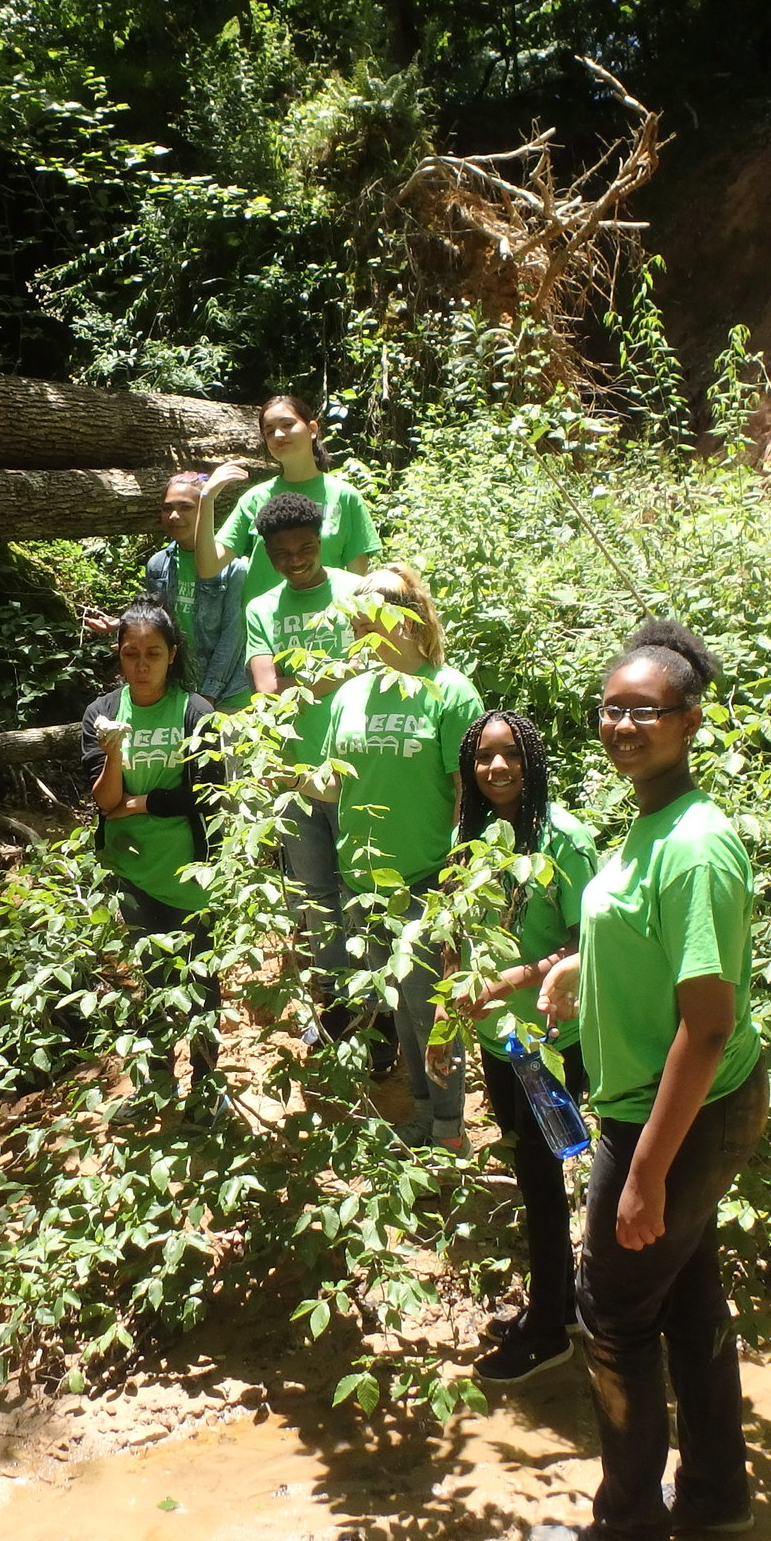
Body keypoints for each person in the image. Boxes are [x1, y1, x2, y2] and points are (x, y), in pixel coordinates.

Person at [523, 621, 770, 1541]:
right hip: (663, 1104)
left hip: (679, 1112)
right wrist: (582, 969)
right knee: (687, 1295)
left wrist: (648, 1175)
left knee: (613, 1315)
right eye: (611, 708)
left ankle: (628, 1537)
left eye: (645, 710)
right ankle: (715, 1493)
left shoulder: (696, 845)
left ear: (689, 720)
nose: (623, 724)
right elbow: (655, 948)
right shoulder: (648, 819)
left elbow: (706, 1027)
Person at [431, 708, 600, 1382]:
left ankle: (552, 1323)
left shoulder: (564, 840)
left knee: (543, 1174)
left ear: (531, 759)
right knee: (534, 1173)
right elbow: (451, 938)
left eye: (510, 755)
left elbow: (590, 945)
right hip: (501, 1045)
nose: (497, 768)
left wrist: (514, 977)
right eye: (483, 757)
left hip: (553, 1042)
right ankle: (556, 1307)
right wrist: (447, 1023)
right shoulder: (465, 836)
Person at [323, 563, 485, 1148]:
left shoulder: (451, 691)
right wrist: (271, 775)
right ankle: (422, 1112)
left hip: (425, 881)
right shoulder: (350, 694)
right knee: (397, 1009)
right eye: (359, 609)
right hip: (361, 883)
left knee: (432, 1013)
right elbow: (332, 783)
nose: (368, 618)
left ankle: (448, 1127)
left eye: (381, 605)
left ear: (412, 612)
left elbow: (471, 796)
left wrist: (456, 883)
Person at [82, 600, 227, 1108]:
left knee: (199, 978)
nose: (141, 666)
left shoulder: (196, 713)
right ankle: (158, 1084)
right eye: (130, 654)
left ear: (172, 655)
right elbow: (102, 801)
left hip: (191, 869)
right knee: (153, 978)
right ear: (118, 657)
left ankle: (208, 1088)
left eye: (153, 654)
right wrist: (114, 752)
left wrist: (142, 802)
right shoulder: (101, 714)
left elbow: (208, 792)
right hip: (131, 870)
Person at [244, 491, 366, 1040]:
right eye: (281, 553)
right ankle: (337, 1003)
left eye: (305, 547)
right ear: (267, 553)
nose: (295, 560)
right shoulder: (261, 609)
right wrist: (339, 669)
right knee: (315, 896)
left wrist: (303, 678)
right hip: (294, 778)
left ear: (321, 539)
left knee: (362, 887)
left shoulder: (356, 591)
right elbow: (268, 691)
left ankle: (378, 1010)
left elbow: (377, 665)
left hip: (359, 769)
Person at [87, 464, 255, 705]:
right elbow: (159, 623)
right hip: (179, 691)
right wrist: (122, 622)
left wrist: (207, 697)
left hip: (228, 695)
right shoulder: (158, 565)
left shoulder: (233, 568)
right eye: (168, 508)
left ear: (204, 511)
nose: (174, 516)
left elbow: (232, 639)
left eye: (185, 507)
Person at [218, 391, 383, 607]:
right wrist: (207, 496)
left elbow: (359, 582)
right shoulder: (254, 499)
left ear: (312, 430)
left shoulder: (345, 496)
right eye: (269, 431)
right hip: (269, 630)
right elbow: (210, 565)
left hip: (329, 626)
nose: (278, 435)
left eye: (287, 425)